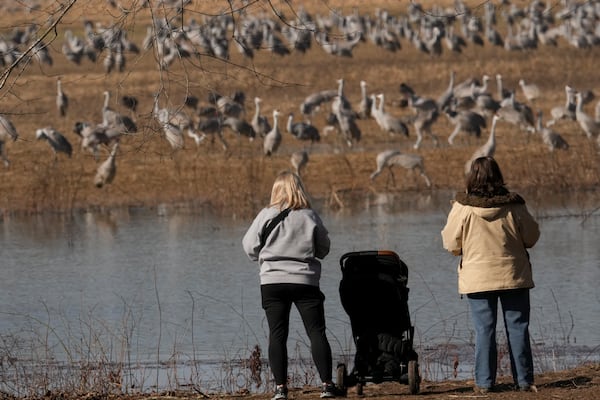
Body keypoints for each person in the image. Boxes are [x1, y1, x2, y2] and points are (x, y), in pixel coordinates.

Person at [441, 156, 540, 394]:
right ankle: (524, 382)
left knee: (484, 330)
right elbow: (532, 237)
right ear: (498, 175)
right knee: (518, 328)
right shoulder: (514, 205)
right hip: (513, 275)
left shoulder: (462, 207)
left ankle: (484, 384)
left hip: (477, 278)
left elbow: (450, 244)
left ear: (471, 176)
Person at [242, 170, 337, 400]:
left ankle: (280, 389)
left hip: (272, 282)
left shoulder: (265, 215)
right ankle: (326, 386)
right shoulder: (309, 216)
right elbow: (324, 249)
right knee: (316, 332)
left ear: (276, 190)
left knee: (277, 334)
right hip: (305, 281)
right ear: (299, 189)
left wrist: (267, 257)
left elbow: (248, 247)